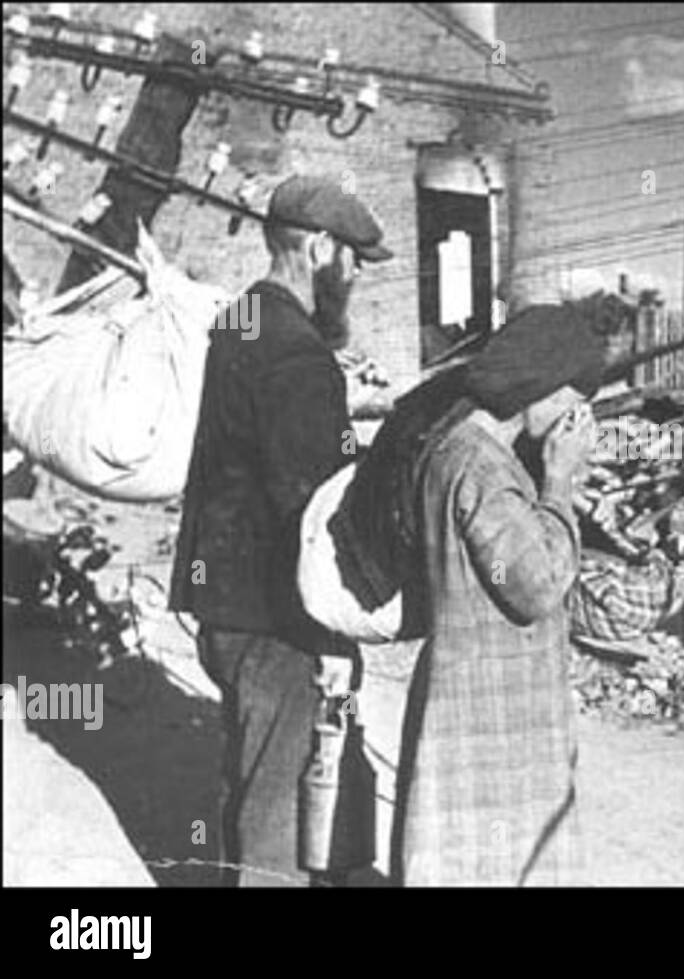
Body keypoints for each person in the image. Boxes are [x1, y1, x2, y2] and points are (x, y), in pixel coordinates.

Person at [169, 174, 393, 886]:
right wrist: (335, 632)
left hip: (226, 606)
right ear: (320, 249)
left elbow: (244, 455)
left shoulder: (241, 320)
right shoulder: (296, 352)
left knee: (249, 782)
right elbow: (313, 509)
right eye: (353, 258)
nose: (355, 277)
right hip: (278, 619)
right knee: (282, 816)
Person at [390, 305, 603, 886]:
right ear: (537, 385)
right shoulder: (482, 466)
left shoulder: (457, 449)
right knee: (496, 864)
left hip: (477, 690)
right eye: (571, 397)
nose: (574, 418)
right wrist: (559, 485)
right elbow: (533, 589)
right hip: (494, 704)